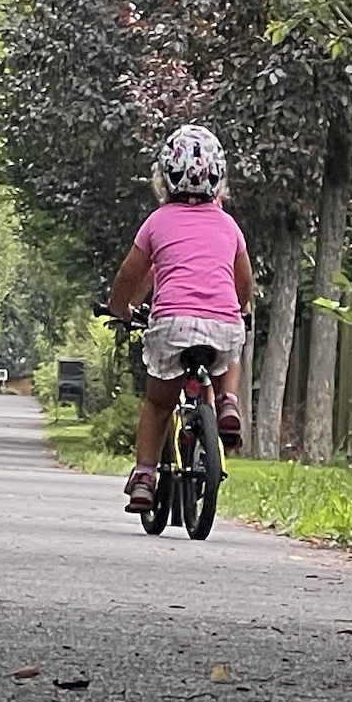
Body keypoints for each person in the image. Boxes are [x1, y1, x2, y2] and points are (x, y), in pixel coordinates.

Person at [106, 124, 254, 515]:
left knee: (158, 403)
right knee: (231, 352)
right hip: (222, 325)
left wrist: (120, 308)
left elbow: (131, 275)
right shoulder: (229, 226)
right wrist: (240, 307)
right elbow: (244, 281)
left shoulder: (158, 222)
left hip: (172, 325)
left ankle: (144, 476)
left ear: (164, 177)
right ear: (219, 180)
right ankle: (228, 402)